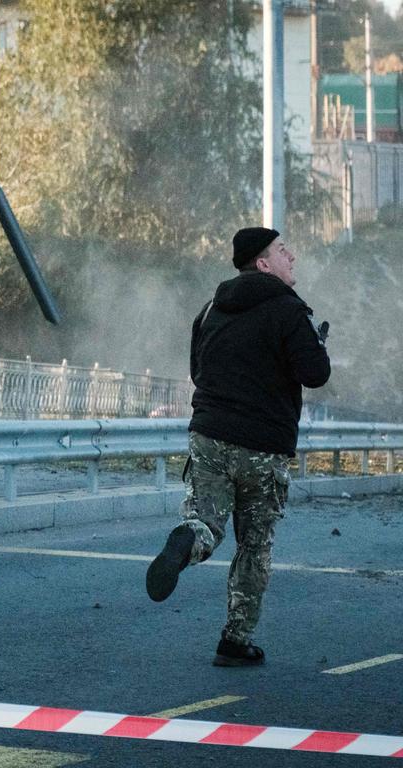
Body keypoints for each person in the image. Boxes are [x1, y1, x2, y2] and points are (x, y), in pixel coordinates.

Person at [146, 227, 330, 667]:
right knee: (254, 545)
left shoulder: (211, 308)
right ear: (263, 264)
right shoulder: (289, 311)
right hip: (262, 447)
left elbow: (197, 370)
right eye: (284, 251)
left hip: (208, 435)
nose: (293, 256)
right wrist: (317, 343)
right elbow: (315, 373)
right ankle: (235, 639)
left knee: (207, 521)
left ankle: (187, 539)